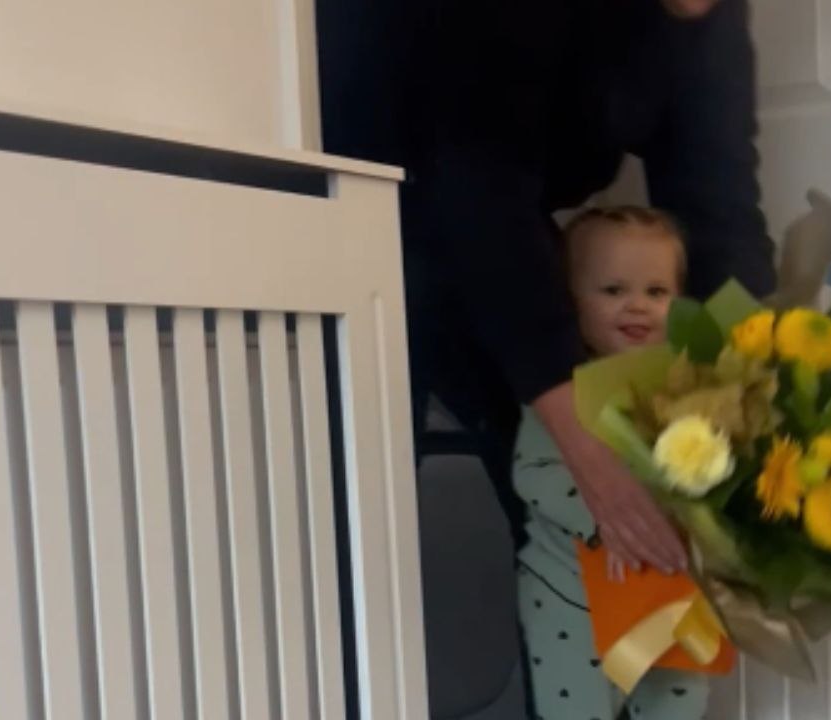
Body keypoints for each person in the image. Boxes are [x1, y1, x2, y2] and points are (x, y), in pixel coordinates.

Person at [317, 0, 776, 712]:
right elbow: (476, 184)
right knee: (355, 528)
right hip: (351, 194)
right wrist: (583, 446)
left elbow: (718, 205)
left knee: (576, 512)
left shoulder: (707, 18)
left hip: (485, 206)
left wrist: (755, 408)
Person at [514, 206, 708, 720]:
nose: (637, 306)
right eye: (613, 290)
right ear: (571, 301)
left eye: (657, 291)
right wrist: (606, 522)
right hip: (573, 599)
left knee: (679, 703)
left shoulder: (688, 388)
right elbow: (533, 475)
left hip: (670, 593)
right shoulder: (562, 392)